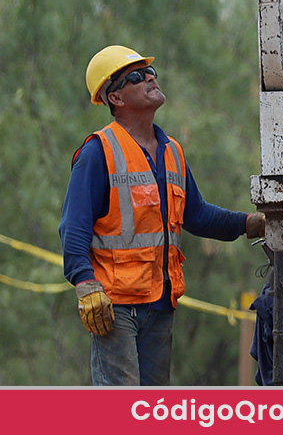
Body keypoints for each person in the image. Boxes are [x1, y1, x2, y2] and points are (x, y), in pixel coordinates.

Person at [61, 45, 266, 386]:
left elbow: (197, 214)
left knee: (153, 408)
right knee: (120, 408)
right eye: (137, 76)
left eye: (151, 72)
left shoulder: (171, 151)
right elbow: (73, 225)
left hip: (160, 303)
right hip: (116, 305)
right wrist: (84, 283)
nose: (150, 79)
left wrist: (248, 224)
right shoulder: (98, 152)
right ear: (116, 99)